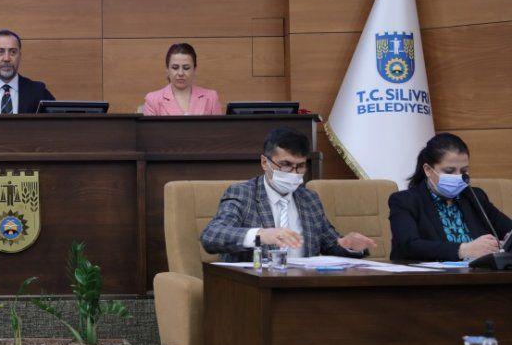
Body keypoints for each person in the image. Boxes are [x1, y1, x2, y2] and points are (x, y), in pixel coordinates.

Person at [201, 127, 377, 261]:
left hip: (302, 286)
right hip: (257, 288)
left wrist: (348, 245)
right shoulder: (243, 194)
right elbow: (211, 236)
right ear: (265, 162)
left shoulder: (309, 199)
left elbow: (331, 244)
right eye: (286, 164)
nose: (294, 173)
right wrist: (260, 235)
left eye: (300, 166)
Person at [389, 133, 511, 261]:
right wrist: (463, 250)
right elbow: (408, 246)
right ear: (428, 170)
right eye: (449, 171)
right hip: (432, 273)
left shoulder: (475, 196)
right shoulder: (404, 201)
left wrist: (504, 244)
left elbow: (508, 230)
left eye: (463, 171)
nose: (458, 177)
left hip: (479, 271)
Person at [143, 43, 222, 116]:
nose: (180, 73)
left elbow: (219, 127)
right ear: (167, 70)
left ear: (194, 70)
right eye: (175, 68)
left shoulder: (211, 97)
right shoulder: (153, 100)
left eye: (186, 68)